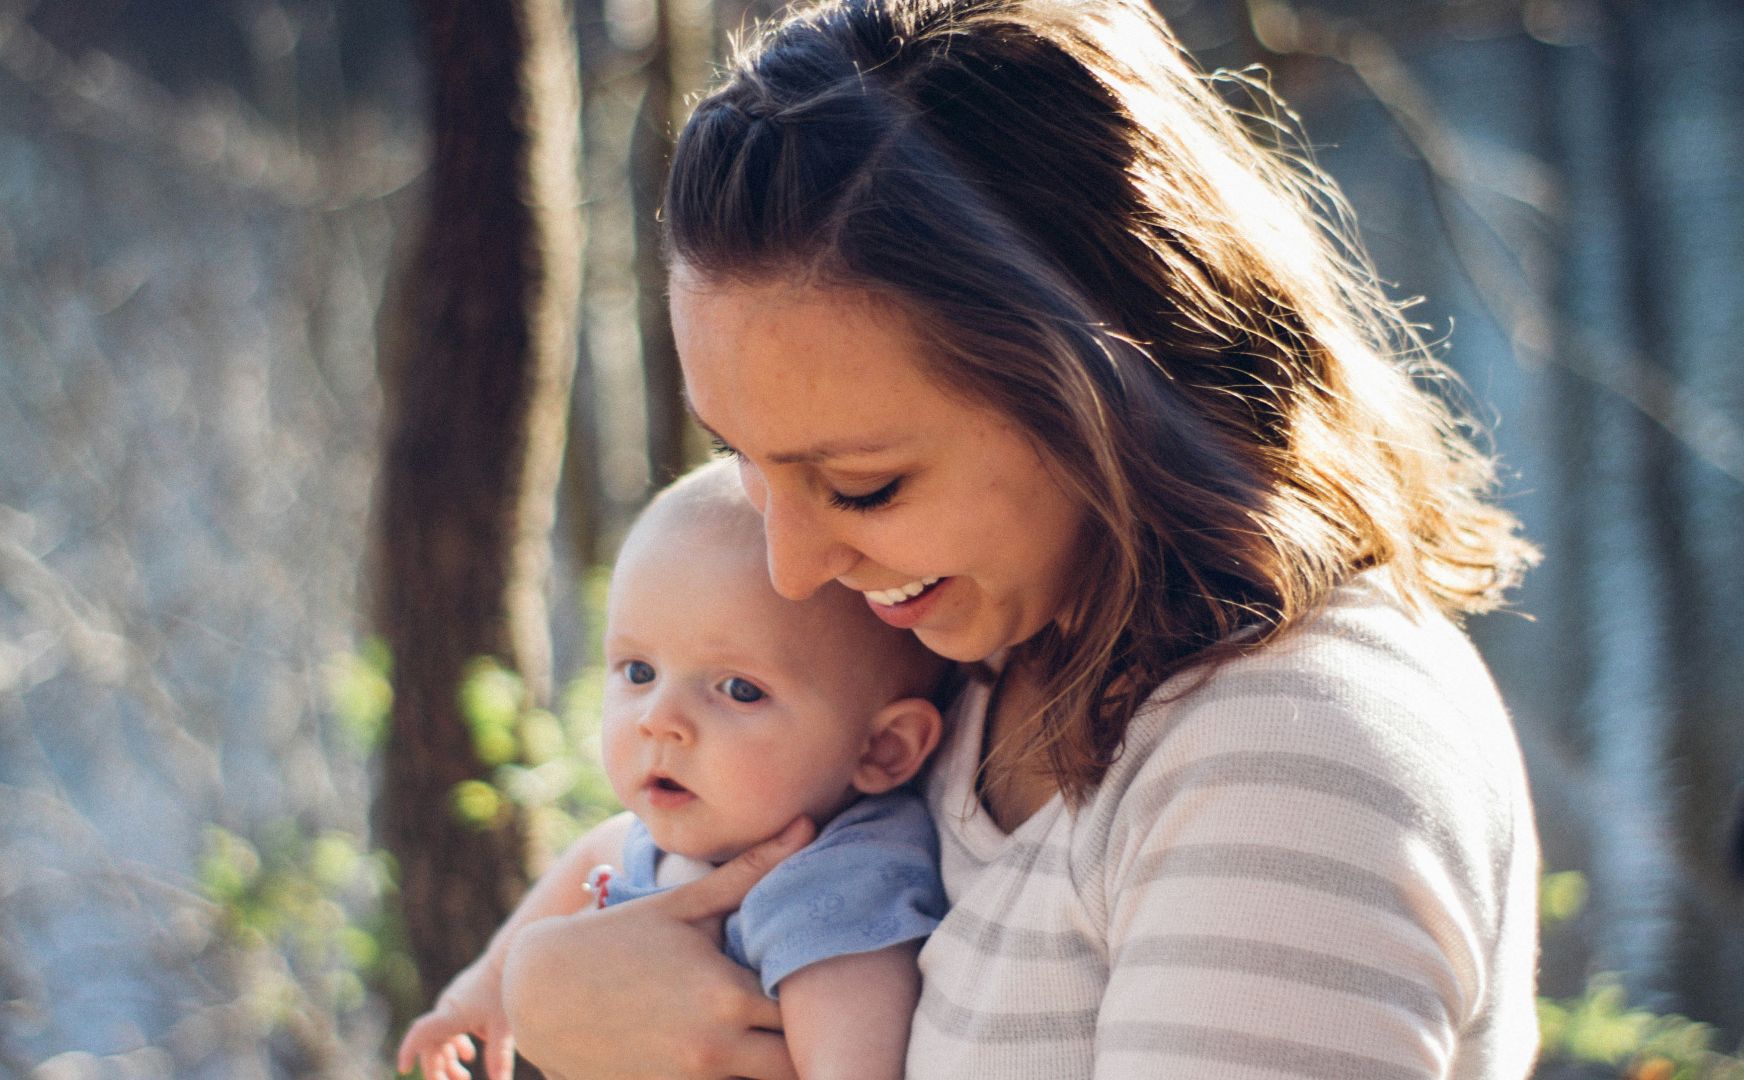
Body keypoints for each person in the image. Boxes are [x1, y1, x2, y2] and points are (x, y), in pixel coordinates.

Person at [498, 0, 1544, 1077]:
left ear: (1109, 389)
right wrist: (553, 992)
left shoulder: (1292, 757)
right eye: (747, 466)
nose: (792, 569)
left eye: (863, 486)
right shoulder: (980, 662)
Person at [396, 464, 952, 1080]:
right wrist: (473, 997)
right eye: (638, 671)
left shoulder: (836, 889)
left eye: (739, 689)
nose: (659, 720)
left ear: (883, 750)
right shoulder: (648, 839)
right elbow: (580, 869)